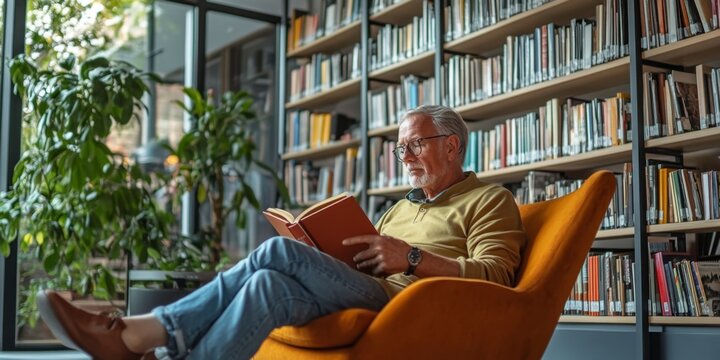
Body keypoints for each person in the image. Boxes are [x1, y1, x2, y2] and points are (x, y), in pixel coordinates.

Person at [37, 105, 526, 360]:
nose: (406, 158)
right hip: (369, 288)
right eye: (400, 150)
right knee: (268, 283)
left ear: (453, 146)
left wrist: (412, 258)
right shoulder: (400, 207)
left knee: (276, 253)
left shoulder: (490, 201)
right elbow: (374, 258)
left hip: (407, 305)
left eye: (415, 144)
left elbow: (498, 279)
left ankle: (140, 332)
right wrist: (322, 249)